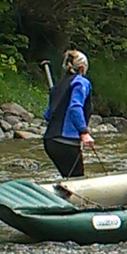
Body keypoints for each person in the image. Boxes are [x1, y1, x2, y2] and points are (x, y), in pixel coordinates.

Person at [43, 49, 94, 178]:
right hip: (66, 142)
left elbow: (48, 115)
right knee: (77, 179)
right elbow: (75, 107)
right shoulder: (81, 82)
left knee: (69, 177)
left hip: (50, 141)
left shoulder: (58, 87)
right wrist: (84, 132)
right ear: (82, 68)